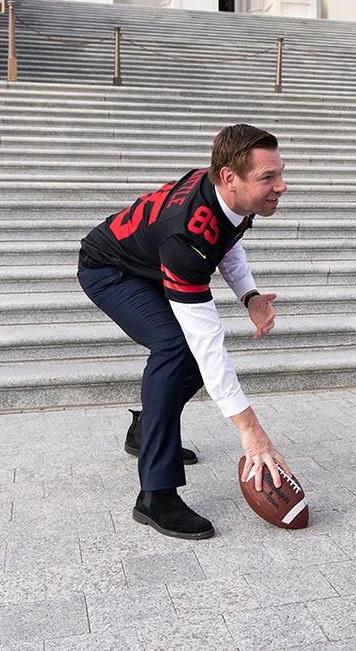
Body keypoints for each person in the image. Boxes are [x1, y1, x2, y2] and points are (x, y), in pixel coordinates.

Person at [78, 123, 292, 541]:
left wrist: (249, 295)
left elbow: (226, 240)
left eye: (280, 173)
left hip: (149, 260)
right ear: (230, 178)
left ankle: (146, 428)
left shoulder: (224, 192)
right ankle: (155, 495)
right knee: (179, 347)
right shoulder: (187, 236)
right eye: (268, 177)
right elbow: (206, 343)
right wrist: (251, 431)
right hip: (110, 269)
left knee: (186, 351)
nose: (282, 186)